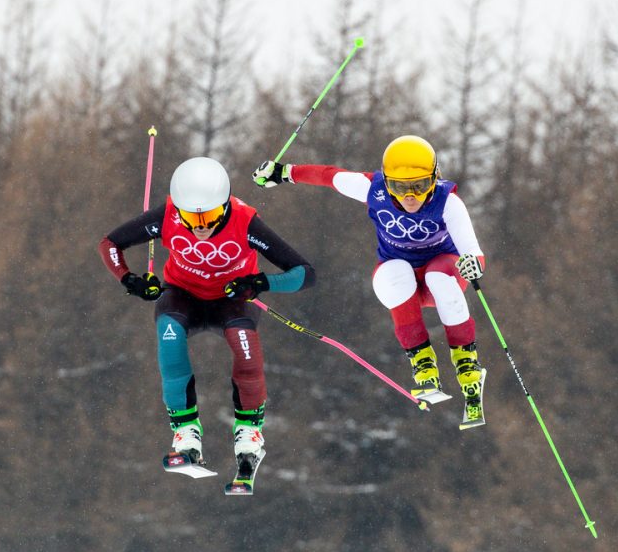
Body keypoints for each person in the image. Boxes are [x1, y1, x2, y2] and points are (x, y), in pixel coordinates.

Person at [99, 156, 316, 482]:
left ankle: (249, 434)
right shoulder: (167, 215)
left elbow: (304, 273)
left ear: (225, 205)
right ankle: (185, 433)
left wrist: (261, 283)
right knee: (169, 337)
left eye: (211, 215)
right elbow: (110, 244)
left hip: (233, 299)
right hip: (182, 295)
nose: (201, 226)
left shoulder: (245, 222)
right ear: (179, 209)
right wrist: (129, 279)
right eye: (191, 217)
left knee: (244, 348)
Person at [252, 136, 487, 427]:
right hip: (403, 280)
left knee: (439, 277)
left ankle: (467, 364)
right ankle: (422, 361)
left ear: (434, 179)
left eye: (419, 185)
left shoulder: (447, 201)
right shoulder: (373, 189)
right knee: (393, 272)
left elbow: (473, 251)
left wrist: (472, 265)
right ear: (387, 183)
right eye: (400, 188)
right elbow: (330, 177)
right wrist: (284, 172)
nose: (410, 196)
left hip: (443, 274)